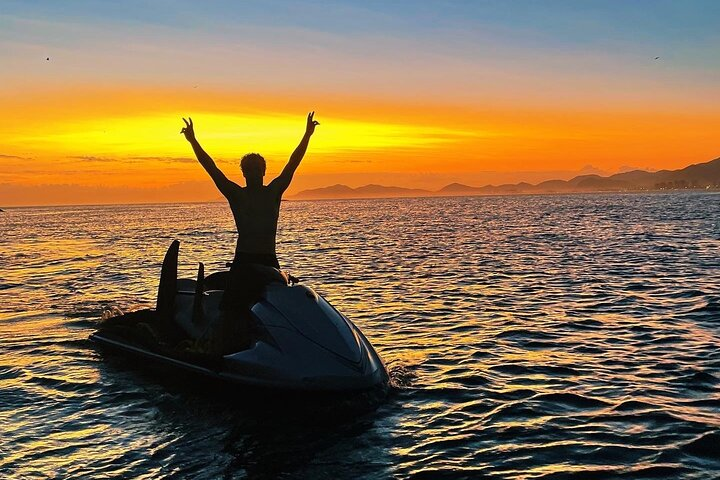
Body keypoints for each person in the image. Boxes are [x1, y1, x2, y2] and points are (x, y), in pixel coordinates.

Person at [180, 112, 319, 352]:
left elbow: (293, 163)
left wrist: (307, 134)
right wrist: (193, 141)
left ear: (263, 172)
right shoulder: (237, 195)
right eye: (250, 170)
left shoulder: (274, 191)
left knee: (273, 307)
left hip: (269, 262)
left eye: (257, 169)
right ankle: (219, 347)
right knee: (231, 310)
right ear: (244, 173)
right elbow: (211, 168)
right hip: (243, 262)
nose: (254, 173)